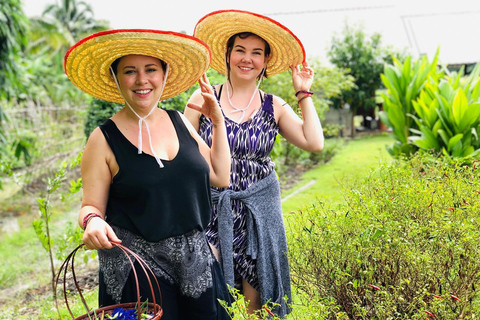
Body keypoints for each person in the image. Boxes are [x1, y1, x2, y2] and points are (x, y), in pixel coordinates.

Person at [64, 29, 231, 320]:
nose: (142, 80)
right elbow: (90, 207)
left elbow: (220, 176)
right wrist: (92, 222)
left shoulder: (179, 121)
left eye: (150, 69)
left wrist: (218, 122)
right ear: (116, 79)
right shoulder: (103, 140)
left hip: (195, 265)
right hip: (137, 273)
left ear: (164, 74)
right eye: (130, 71)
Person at [185, 10, 324, 317]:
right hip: (211, 209)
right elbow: (182, 153)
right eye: (240, 50)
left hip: (257, 215)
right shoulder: (203, 98)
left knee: (256, 307)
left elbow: (314, 143)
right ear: (228, 55)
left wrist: (303, 92)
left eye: (256, 53)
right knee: (208, 295)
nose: (247, 59)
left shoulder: (274, 105)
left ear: (265, 62)